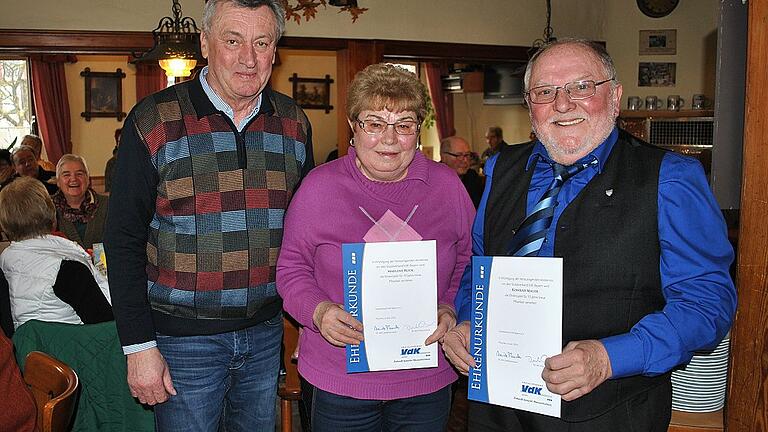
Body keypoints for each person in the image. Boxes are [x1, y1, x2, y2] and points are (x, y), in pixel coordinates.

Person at [443, 39, 736, 432]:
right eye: (545, 92)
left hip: (609, 411)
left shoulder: (670, 178)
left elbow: (707, 302)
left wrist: (609, 357)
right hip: (497, 406)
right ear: (530, 106)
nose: (562, 104)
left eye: (582, 86)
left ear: (614, 96)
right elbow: (477, 272)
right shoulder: (500, 170)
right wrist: (466, 320)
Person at [104, 0, 314, 430]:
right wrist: (138, 345)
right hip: (181, 345)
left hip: (266, 335)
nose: (248, 58)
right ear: (205, 42)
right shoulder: (153, 120)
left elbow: (307, 236)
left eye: (262, 42)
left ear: (276, 50)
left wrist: (310, 320)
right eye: (232, 40)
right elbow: (123, 239)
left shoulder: (293, 123)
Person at [277, 63, 475, 431]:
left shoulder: (447, 187)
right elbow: (291, 269)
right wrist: (318, 312)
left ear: (418, 131)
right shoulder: (320, 188)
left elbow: (469, 259)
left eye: (404, 124)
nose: (389, 138)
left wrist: (450, 306)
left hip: (425, 376)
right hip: (340, 377)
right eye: (374, 123)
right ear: (354, 126)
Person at [0, 177, 112, 330]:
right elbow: (106, 323)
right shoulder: (67, 267)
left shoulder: (4, 261)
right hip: (70, 350)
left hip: (26, 350)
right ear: (52, 214)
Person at [53, 154, 109, 250]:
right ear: (58, 181)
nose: (74, 179)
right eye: (66, 175)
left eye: (79, 174)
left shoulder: (107, 205)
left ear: (88, 179)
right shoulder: (47, 208)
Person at [441, 135, 484, 208]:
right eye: (459, 155)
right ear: (443, 157)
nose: (465, 160)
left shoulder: (472, 177)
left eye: (467, 155)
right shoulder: (433, 179)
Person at [103, 128, 121, 193]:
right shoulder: (111, 163)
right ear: (117, 144)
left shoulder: (137, 161)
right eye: (119, 141)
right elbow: (108, 188)